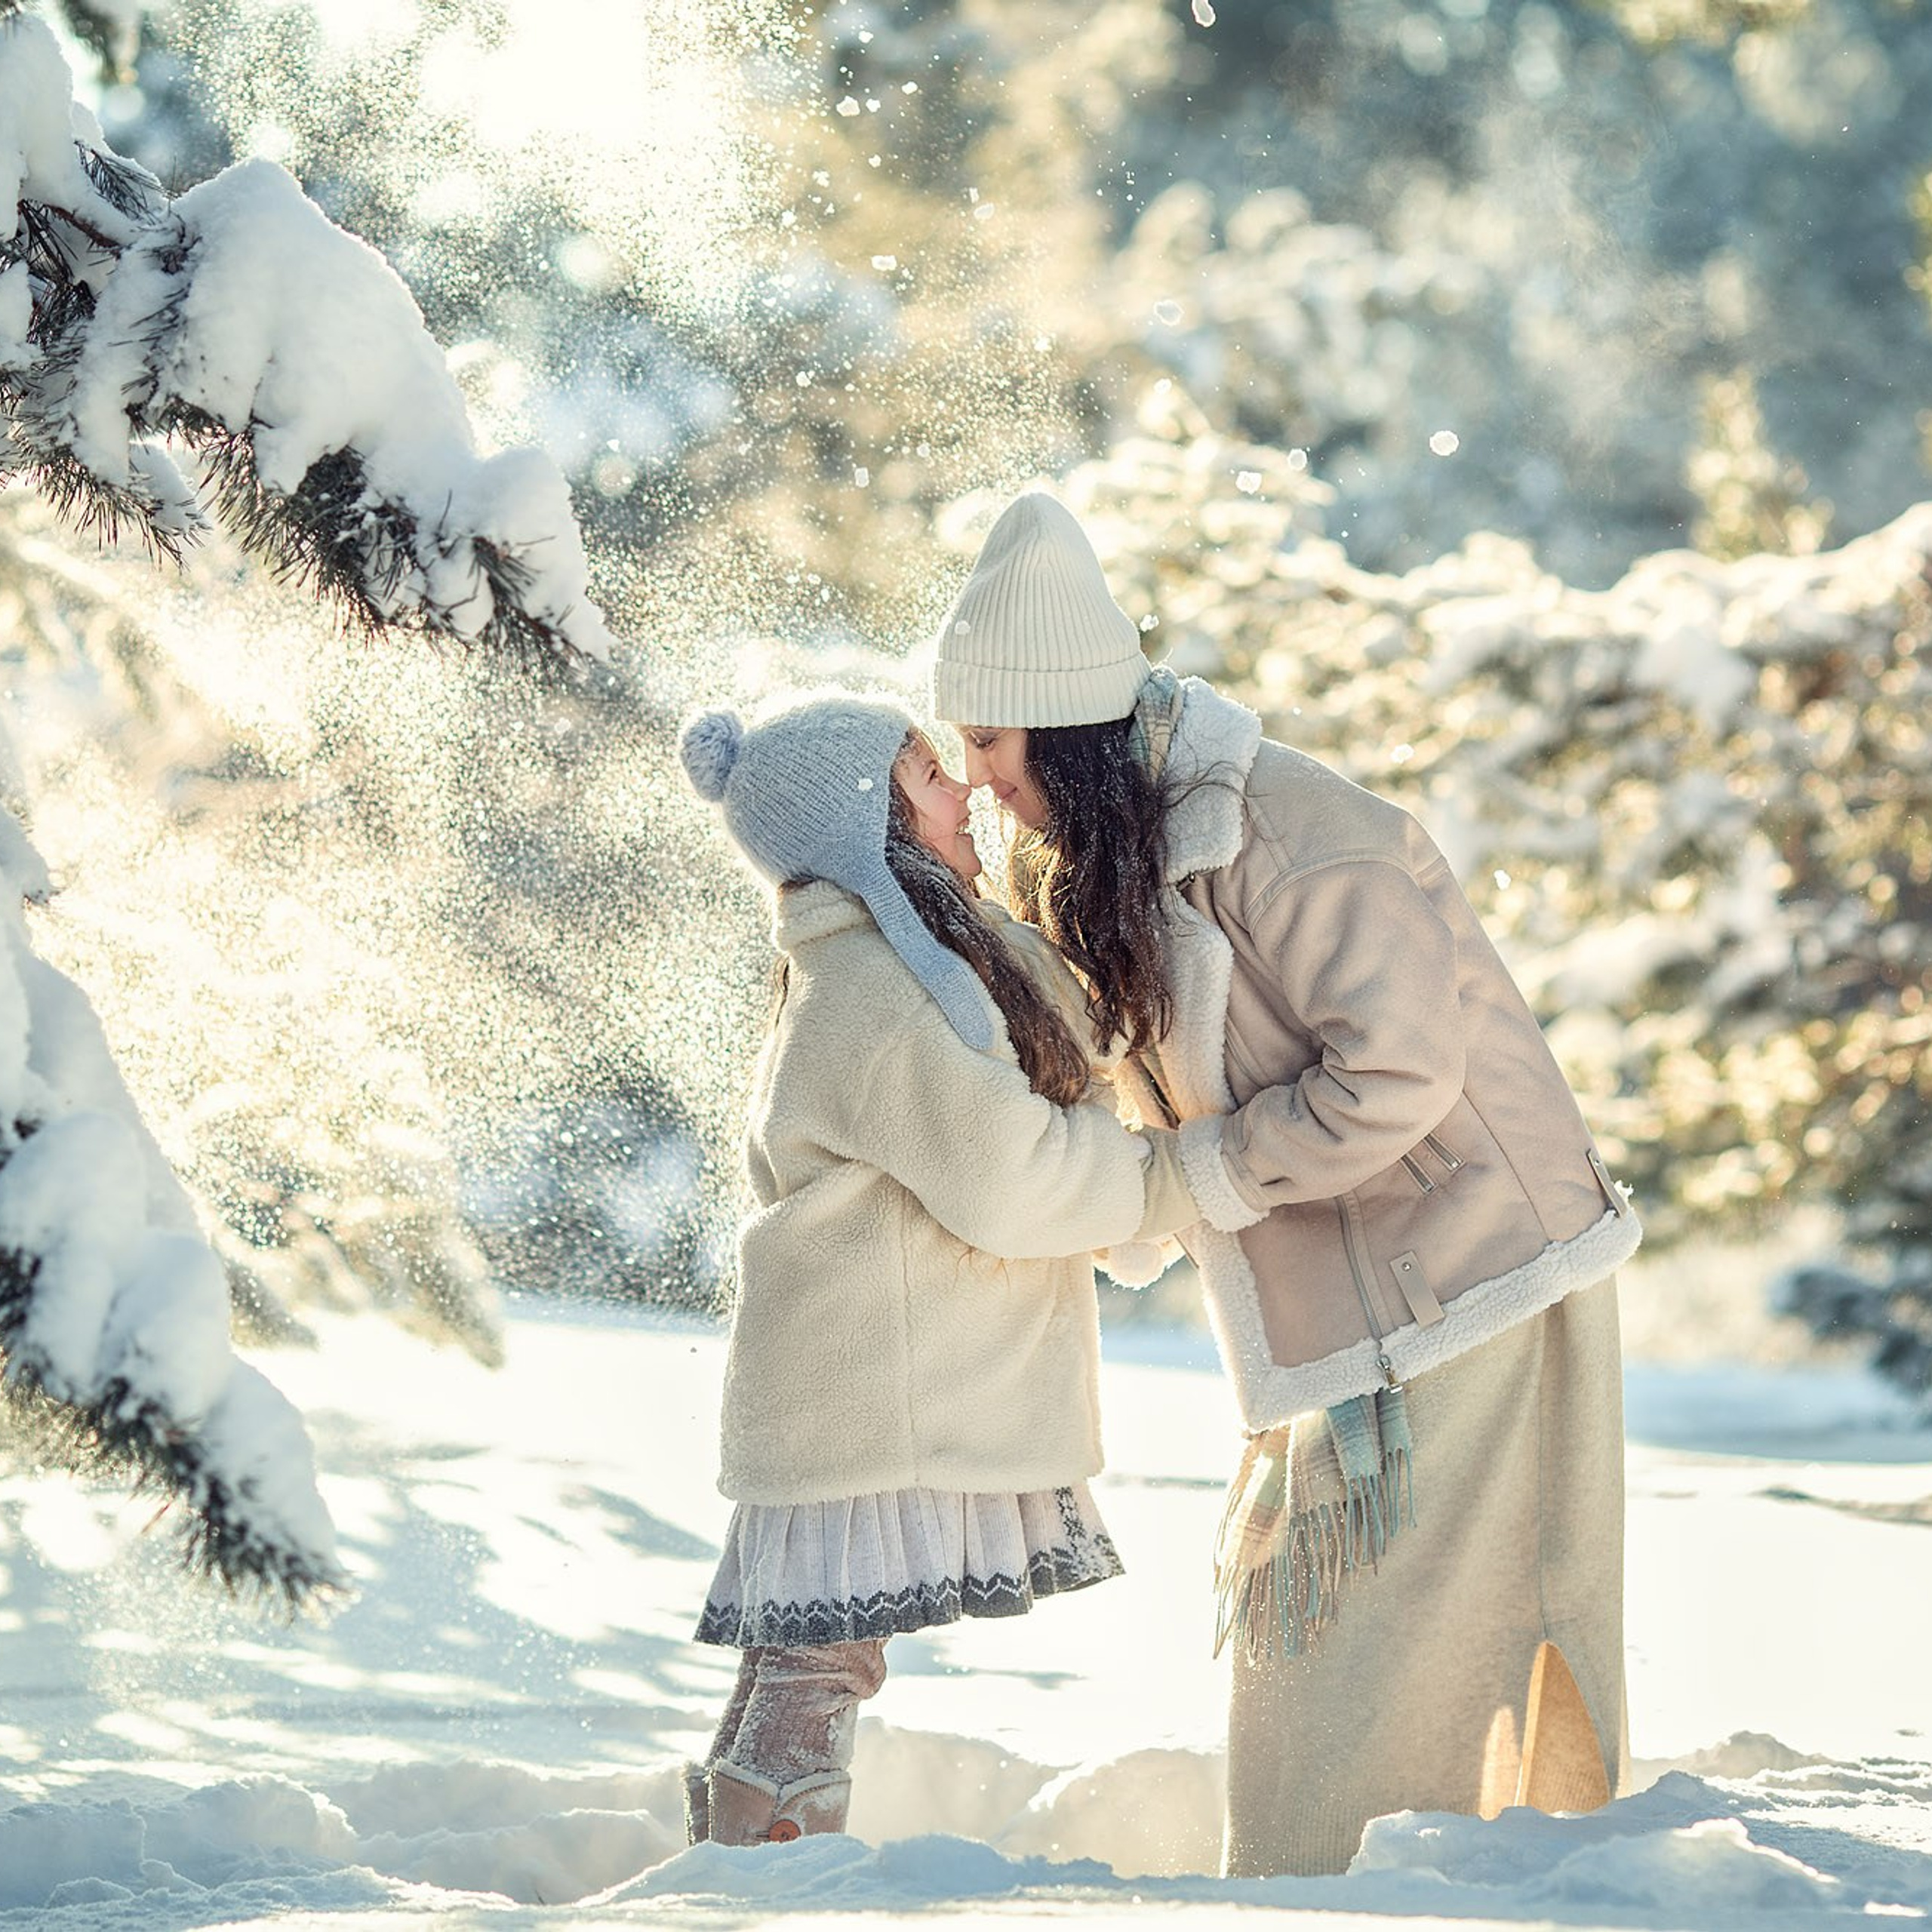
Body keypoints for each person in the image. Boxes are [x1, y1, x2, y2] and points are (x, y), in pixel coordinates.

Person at [931, 493, 1644, 1877]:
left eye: (991, 739)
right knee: (1350, 1638)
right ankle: (1341, 1881)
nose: (978, 776)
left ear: (1065, 727)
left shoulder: (1292, 832)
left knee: (1401, 1636)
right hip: (1361, 1291)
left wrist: (1194, 1175)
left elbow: (1396, 1076)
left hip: (1475, 1276)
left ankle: (1392, 1890)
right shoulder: (1118, 848)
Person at [677, 688, 1202, 1848]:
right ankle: (765, 1886)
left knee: (802, 1666)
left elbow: (1050, 1050)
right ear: (867, 818)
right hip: (870, 1390)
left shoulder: (896, 959)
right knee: (814, 1670)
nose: (964, 787)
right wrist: (1182, 1179)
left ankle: (742, 1874)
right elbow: (1012, 1179)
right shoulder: (881, 988)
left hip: (850, 1385)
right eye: (927, 774)